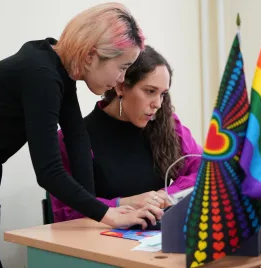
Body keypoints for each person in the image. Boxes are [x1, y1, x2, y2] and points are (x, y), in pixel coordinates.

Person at [0, 3, 163, 268]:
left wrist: (94, 211)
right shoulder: (41, 74)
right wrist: (106, 213)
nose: (121, 78)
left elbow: (78, 140)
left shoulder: (59, 69)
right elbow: (48, 171)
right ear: (91, 55)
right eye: (122, 67)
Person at [50, 45, 203, 222]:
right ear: (121, 87)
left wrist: (166, 195)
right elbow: (65, 212)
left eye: (163, 94)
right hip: (97, 242)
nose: (158, 104)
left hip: (152, 239)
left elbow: (204, 170)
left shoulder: (168, 125)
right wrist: (121, 204)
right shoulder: (70, 139)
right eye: (150, 91)